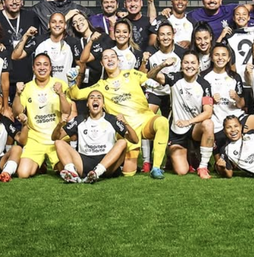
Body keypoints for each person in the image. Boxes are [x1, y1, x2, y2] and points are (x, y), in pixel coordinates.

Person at [67, 49, 170, 179]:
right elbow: (75, 94)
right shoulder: (100, 86)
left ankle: (156, 167)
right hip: (127, 130)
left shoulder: (132, 74)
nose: (110, 59)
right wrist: (71, 82)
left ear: (118, 60)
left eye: (112, 57)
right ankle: (121, 161)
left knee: (162, 122)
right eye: (105, 58)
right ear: (102, 63)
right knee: (128, 173)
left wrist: (152, 80)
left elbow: (147, 78)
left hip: (145, 121)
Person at [148, 52, 215, 179]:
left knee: (208, 123)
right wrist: (162, 65)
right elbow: (150, 75)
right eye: (186, 63)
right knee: (181, 171)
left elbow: (208, 112)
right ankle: (181, 154)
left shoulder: (204, 84)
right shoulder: (174, 78)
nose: (189, 66)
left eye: (193, 63)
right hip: (177, 130)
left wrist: (189, 122)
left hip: (194, 128)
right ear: (181, 65)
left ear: (198, 65)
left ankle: (203, 167)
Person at [202, 43, 254, 159]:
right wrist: (211, 101)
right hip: (217, 123)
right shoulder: (203, 77)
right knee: (223, 166)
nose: (220, 58)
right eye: (217, 55)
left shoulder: (235, 77)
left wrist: (236, 97)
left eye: (224, 55)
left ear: (229, 58)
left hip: (237, 117)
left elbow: (242, 104)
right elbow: (199, 105)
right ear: (211, 57)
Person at [52, 90, 138, 183]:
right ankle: (72, 174)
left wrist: (126, 124)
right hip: (83, 162)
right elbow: (55, 138)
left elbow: (135, 140)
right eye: (92, 97)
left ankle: (97, 172)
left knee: (122, 142)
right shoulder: (79, 120)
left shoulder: (112, 120)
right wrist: (59, 125)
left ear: (103, 105)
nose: (95, 99)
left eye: (99, 97)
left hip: (107, 163)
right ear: (87, 104)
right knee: (58, 143)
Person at [12, 53, 72, 179]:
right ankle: (40, 164)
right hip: (35, 138)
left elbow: (67, 112)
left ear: (50, 68)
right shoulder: (27, 87)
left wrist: (61, 94)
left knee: (65, 171)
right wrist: (17, 94)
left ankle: (48, 163)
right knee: (23, 174)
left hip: (56, 138)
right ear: (33, 68)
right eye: (38, 65)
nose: (42, 68)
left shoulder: (60, 84)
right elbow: (17, 112)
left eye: (45, 64)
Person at [142, 22, 184, 172]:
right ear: (157, 38)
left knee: (172, 126)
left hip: (172, 94)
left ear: (173, 35)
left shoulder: (181, 53)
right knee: (146, 122)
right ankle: (146, 161)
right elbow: (146, 75)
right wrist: (161, 65)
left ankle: (168, 160)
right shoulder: (152, 54)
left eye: (168, 34)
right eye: (162, 35)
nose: (165, 37)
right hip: (155, 92)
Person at [0, 0, 40, 98]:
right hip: (2, 77)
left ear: (22, 1)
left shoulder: (31, 17)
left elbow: (37, 40)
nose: (14, 2)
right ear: (4, 2)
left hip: (27, 76)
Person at [12, 12, 73, 81]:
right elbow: (15, 56)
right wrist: (26, 36)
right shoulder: (39, 40)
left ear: (65, 25)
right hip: (40, 89)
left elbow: (81, 66)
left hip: (64, 89)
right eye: (53, 22)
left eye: (61, 22)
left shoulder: (72, 42)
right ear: (48, 25)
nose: (57, 25)